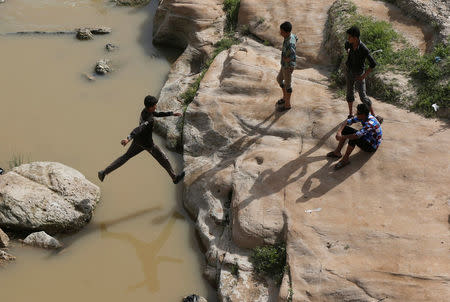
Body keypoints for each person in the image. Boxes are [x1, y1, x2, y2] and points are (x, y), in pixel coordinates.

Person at [98, 95, 185, 184]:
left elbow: (157, 114)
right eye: (155, 105)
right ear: (150, 107)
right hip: (148, 144)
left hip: (138, 141)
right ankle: (174, 178)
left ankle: (104, 172)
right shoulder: (149, 119)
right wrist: (128, 138)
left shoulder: (145, 111)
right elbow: (139, 128)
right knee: (164, 158)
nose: (156, 106)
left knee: (125, 157)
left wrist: (171, 113)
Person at [344, 26, 383, 123]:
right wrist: (348, 51)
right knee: (349, 93)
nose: (348, 39)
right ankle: (350, 114)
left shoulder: (363, 49)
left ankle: (374, 115)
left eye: (350, 37)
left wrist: (364, 76)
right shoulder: (349, 43)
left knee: (363, 96)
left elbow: (373, 64)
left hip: (359, 74)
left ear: (355, 38)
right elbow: (346, 46)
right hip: (349, 71)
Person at [327, 103, 382, 169]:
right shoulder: (364, 117)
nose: (356, 114)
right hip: (367, 137)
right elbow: (347, 121)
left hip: (371, 146)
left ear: (363, 114)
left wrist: (342, 137)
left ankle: (345, 159)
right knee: (345, 129)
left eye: (358, 113)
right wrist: (339, 132)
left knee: (353, 137)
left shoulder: (370, 123)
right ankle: (337, 152)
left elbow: (356, 136)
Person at [276, 21, 298, 112]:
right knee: (279, 79)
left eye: (282, 31)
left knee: (288, 85)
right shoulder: (290, 36)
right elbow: (296, 37)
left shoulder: (290, 42)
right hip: (283, 65)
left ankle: (287, 105)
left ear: (287, 32)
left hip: (287, 67)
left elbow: (293, 56)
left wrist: (288, 61)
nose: (280, 33)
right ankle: (285, 98)